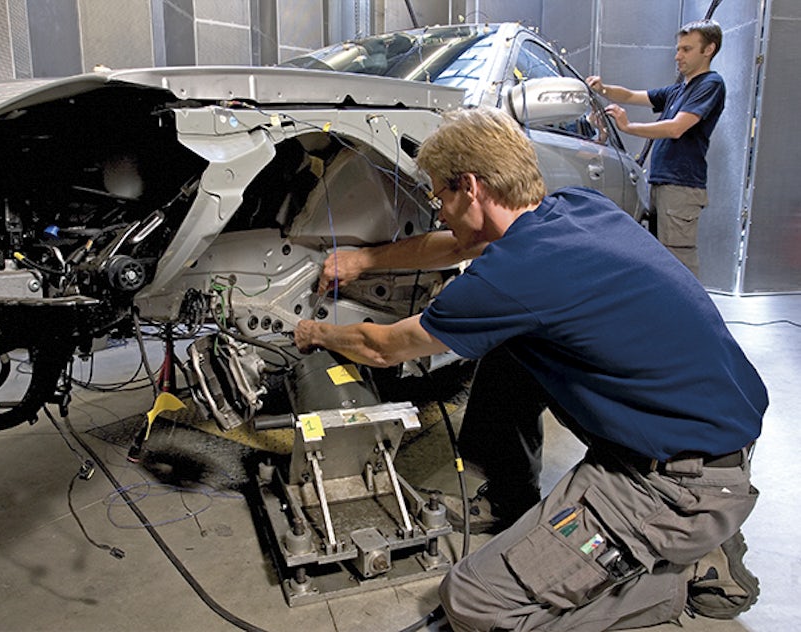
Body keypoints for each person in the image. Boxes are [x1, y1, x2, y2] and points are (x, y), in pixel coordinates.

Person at [293, 105, 766, 630]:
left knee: (474, 602)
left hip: (676, 485)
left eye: (439, 195)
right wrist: (367, 260)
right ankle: (514, 502)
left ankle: (674, 575)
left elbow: (382, 348)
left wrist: (315, 332)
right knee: (511, 348)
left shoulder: (514, 278)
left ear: (470, 186)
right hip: (706, 429)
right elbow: (457, 244)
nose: (438, 210)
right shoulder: (574, 207)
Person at [586, 19, 725, 278]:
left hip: (681, 185)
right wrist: (603, 89)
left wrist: (628, 127)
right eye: (678, 49)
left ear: (708, 50)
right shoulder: (678, 90)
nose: (677, 56)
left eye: (686, 49)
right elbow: (629, 96)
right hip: (663, 182)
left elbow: (676, 128)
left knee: (678, 259)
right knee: (663, 259)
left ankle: (689, 317)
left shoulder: (710, 85)